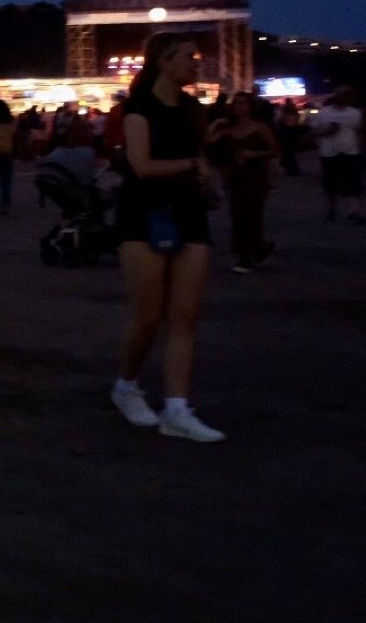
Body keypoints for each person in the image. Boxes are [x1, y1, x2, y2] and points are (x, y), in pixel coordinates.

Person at [108, 32, 224, 443]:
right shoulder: (137, 109)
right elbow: (141, 165)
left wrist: (205, 174)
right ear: (163, 61)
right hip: (144, 215)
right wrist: (192, 164)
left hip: (188, 213)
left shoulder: (193, 108)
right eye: (187, 58)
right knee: (148, 315)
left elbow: (202, 157)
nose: (196, 64)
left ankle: (177, 408)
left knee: (185, 317)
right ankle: (126, 385)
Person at [207, 92, 279, 274]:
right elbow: (207, 141)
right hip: (235, 176)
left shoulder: (259, 127)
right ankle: (258, 248)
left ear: (250, 106)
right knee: (238, 215)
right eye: (237, 103)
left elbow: (275, 150)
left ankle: (246, 255)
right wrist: (215, 124)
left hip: (255, 176)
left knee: (251, 215)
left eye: (244, 103)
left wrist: (253, 154)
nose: (240, 107)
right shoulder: (228, 129)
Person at [311, 86, 366, 223]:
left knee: (353, 183)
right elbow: (312, 131)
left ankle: (353, 211)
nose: (343, 96)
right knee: (331, 184)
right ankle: (332, 209)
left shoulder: (355, 113)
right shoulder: (324, 112)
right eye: (340, 94)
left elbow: (360, 132)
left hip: (350, 152)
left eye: (346, 94)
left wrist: (362, 149)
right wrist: (326, 132)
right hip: (329, 153)